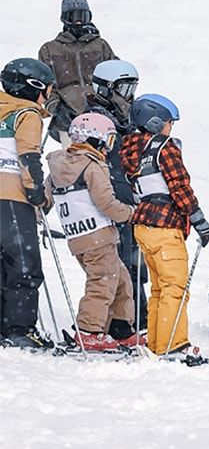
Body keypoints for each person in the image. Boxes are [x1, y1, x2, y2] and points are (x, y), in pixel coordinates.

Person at [121, 94, 209, 357]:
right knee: (175, 287)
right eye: (169, 122)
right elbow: (179, 185)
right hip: (165, 224)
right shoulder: (164, 147)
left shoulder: (132, 149)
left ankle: (157, 343)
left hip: (143, 226)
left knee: (159, 289)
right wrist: (199, 220)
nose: (171, 127)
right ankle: (173, 344)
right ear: (154, 121)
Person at [45, 112, 138, 351]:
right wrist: (130, 213)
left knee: (120, 279)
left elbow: (46, 198)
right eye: (108, 141)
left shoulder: (59, 167)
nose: (108, 148)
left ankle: (120, 328)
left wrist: (36, 210)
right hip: (98, 234)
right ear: (95, 139)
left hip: (78, 238)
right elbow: (106, 203)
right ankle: (88, 330)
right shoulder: (92, 166)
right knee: (102, 282)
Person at [86, 59, 147, 327]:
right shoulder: (94, 122)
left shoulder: (127, 120)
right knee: (117, 262)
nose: (129, 96)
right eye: (124, 89)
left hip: (128, 199)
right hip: (109, 200)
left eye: (132, 88)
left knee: (134, 260)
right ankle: (119, 319)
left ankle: (138, 314)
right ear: (105, 89)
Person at [0, 57, 55, 350]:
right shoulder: (27, 114)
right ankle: (19, 330)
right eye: (47, 89)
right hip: (13, 199)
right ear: (33, 87)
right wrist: (37, 193)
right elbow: (29, 155)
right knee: (24, 266)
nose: (47, 96)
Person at [38, 0, 119, 147]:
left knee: (104, 157)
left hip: (101, 115)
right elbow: (45, 85)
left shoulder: (100, 45)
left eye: (83, 16)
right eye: (73, 16)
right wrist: (56, 107)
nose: (79, 21)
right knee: (75, 158)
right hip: (68, 119)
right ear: (64, 19)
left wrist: (112, 104)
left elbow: (116, 77)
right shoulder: (50, 49)